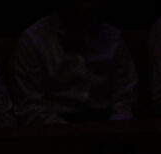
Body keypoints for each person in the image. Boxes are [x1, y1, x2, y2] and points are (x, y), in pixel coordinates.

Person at [11, 1, 141, 126]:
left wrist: (113, 128)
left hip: (107, 122)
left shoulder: (113, 37)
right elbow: (29, 105)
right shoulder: (33, 41)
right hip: (51, 128)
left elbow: (126, 96)